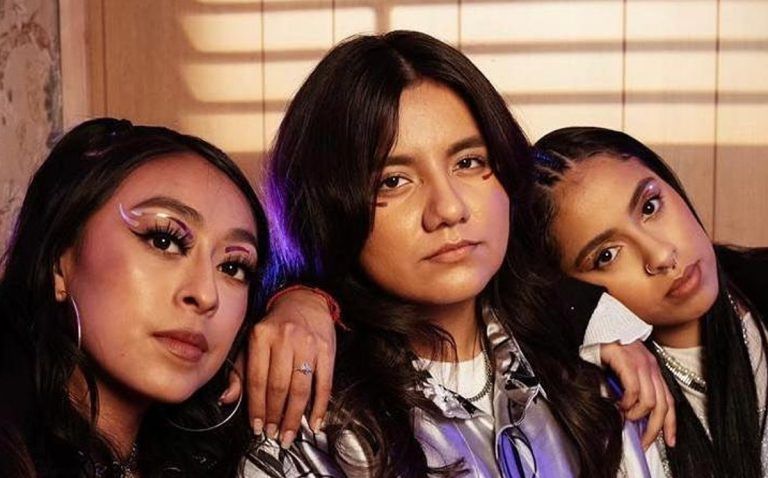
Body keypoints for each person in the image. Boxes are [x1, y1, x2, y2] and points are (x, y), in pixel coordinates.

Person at [246, 31, 673, 478]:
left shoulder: (594, 373)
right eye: (392, 181)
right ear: (329, 208)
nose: (449, 209)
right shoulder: (306, 413)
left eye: (468, 162)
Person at [0, 118, 332, 477]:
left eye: (233, 267)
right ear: (58, 262)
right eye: (164, 241)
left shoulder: (230, 456)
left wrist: (303, 302)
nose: (206, 295)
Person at [531, 126, 768, 477]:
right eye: (607, 256)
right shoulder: (610, 397)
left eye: (650, 206)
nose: (660, 256)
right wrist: (595, 322)